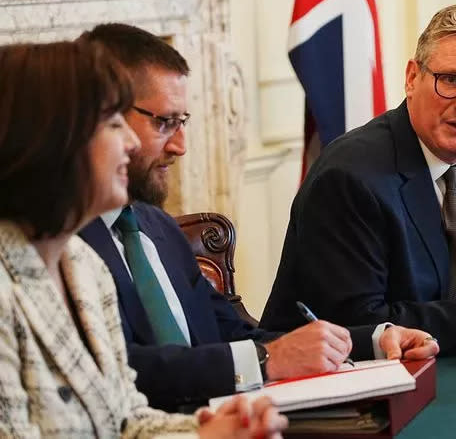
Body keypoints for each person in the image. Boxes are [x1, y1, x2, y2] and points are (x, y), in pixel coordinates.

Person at [77, 23, 439, 412]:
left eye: (183, 122)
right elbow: (122, 371)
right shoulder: (63, 245)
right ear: (98, 117)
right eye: (164, 123)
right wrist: (267, 361)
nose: (181, 146)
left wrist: (371, 340)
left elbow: (234, 332)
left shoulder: (157, 228)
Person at [0, 40, 285, 438]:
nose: (131, 143)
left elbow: (128, 419)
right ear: (53, 138)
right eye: (113, 123)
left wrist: (213, 431)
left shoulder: (83, 268)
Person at [260, 4, 456, 355]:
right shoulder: (350, 176)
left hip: (437, 364)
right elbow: (359, 323)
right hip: (334, 383)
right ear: (412, 78)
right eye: (451, 80)